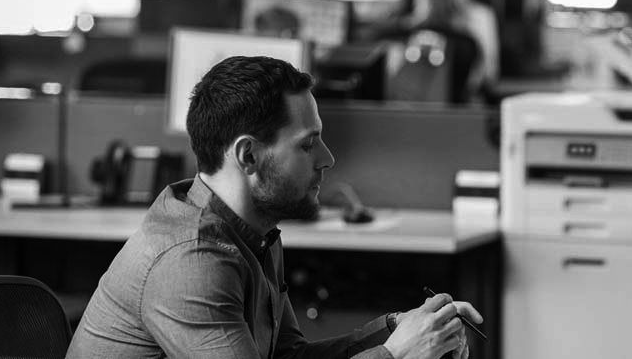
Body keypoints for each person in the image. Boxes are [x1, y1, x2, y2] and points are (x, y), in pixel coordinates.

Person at [68, 56, 482, 359]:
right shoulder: (190, 261)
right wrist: (397, 355)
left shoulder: (254, 232)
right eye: (307, 144)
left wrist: (394, 331)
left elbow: (288, 356)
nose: (327, 158)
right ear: (248, 156)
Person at [408, 0, 499, 101]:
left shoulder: (408, 31)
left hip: (419, 104)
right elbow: (490, 72)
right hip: (466, 103)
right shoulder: (482, 17)